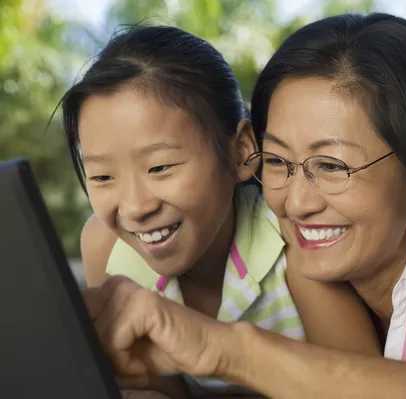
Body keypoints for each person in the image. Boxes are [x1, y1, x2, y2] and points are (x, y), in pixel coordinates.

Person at [82, 13, 406, 398]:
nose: (296, 202)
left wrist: (227, 349)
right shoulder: (314, 278)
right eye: (279, 162)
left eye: (331, 166)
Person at [61, 25, 380, 398]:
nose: (134, 207)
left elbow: (366, 384)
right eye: (102, 176)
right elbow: (153, 385)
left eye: (160, 167)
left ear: (242, 152)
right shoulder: (107, 249)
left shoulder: (294, 242)